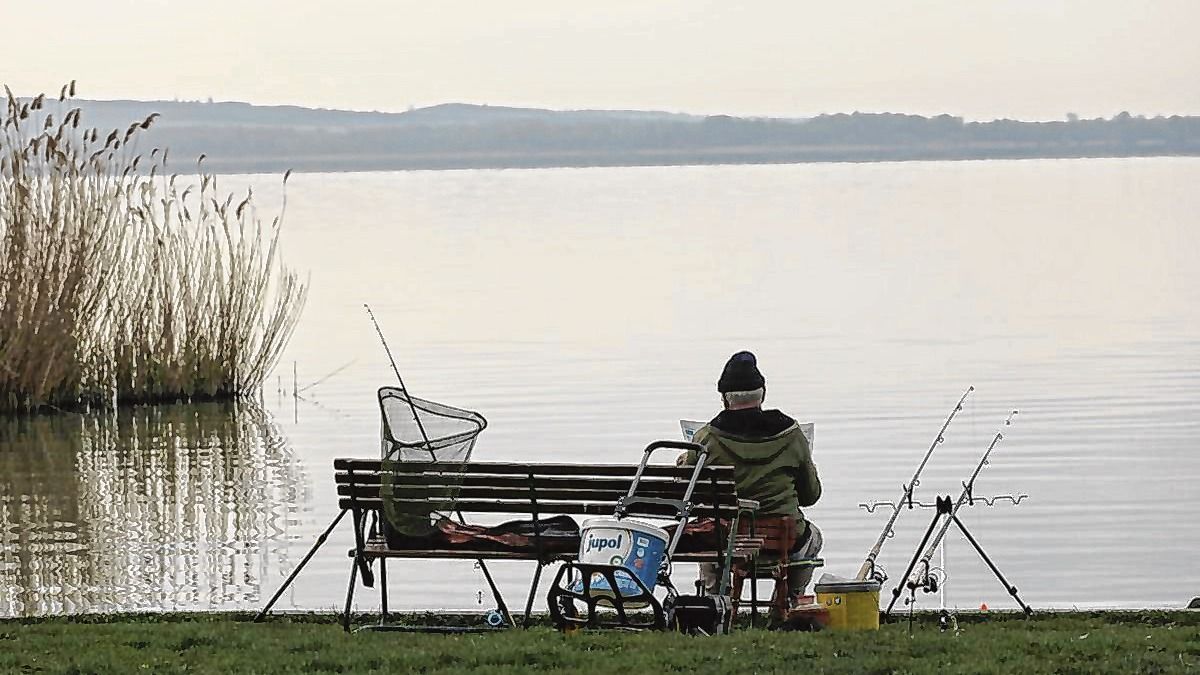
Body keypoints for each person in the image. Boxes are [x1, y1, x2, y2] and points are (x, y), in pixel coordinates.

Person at [678, 350, 822, 606]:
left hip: (726, 539)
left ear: (724, 398)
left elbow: (687, 490)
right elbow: (811, 496)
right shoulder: (792, 435)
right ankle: (791, 599)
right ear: (762, 394)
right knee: (813, 537)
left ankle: (716, 600)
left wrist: (682, 462)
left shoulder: (706, 438)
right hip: (782, 539)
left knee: (709, 534)